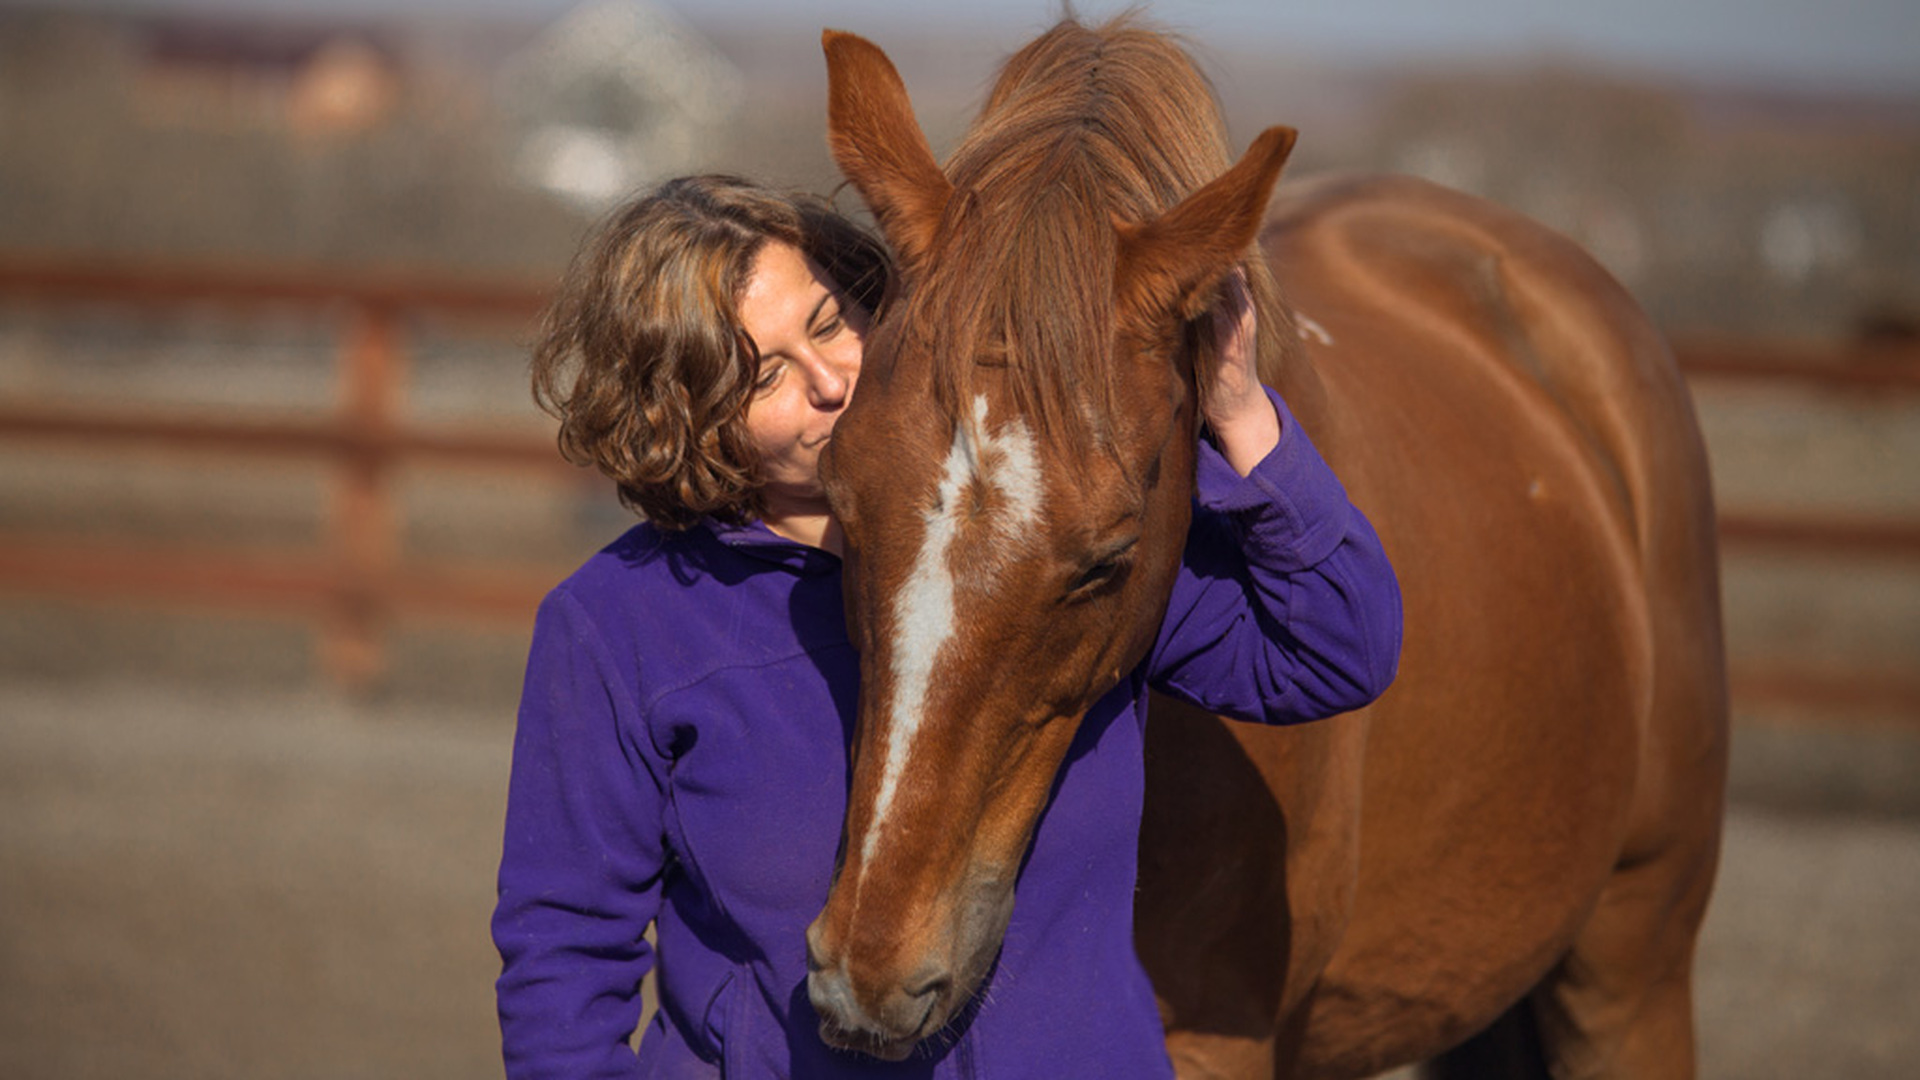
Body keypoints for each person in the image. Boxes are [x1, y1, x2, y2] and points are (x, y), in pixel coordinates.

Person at [492, 173, 1401, 1079]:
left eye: (828, 322)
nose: (831, 379)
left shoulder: (1040, 554)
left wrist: (1244, 416)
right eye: (763, 373)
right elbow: (565, 951)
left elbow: (1336, 650)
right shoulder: (618, 623)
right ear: (682, 417)